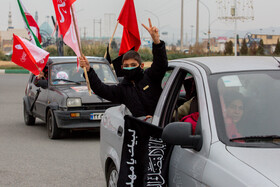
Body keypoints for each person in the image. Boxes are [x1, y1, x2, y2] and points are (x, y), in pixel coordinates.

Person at [79, 18, 168, 118]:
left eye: (133, 65)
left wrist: (157, 42)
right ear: (122, 68)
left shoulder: (151, 77)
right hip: (140, 129)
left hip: (161, 124)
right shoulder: (122, 89)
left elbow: (161, 64)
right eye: (126, 66)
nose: (130, 68)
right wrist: (89, 70)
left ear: (141, 65)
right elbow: (102, 89)